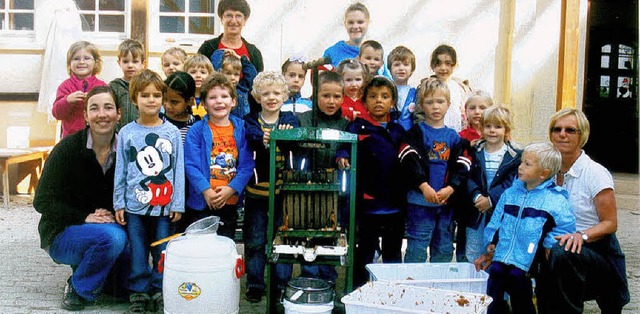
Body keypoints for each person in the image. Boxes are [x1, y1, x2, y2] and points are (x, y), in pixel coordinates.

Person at [34, 86, 129, 311]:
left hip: (108, 226)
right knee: (112, 238)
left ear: (119, 113)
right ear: (85, 115)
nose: (102, 114)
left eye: (108, 107)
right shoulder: (67, 149)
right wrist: (84, 216)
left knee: (128, 273)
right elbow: (42, 201)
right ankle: (78, 288)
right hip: (63, 231)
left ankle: (96, 276)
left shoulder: (127, 149)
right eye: (94, 108)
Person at [535, 108, 630, 314]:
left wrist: (581, 236)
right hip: (557, 248)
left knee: (564, 250)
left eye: (570, 130)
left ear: (582, 135)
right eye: (556, 129)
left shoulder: (595, 173)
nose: (562, 134)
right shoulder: (545, 171)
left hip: (596, 252)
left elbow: (610, 223)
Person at [474, 142, 576, 314]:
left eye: (527, 164)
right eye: (521, 162)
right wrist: (491, 242)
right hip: (503, 253)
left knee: (518, 283)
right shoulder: (510, 193)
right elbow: (496, 220)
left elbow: (566, 227)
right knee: (495, 277)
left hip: (528, 260)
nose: (520, 167)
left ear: (544, 173)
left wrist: (548, 244)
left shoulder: (555, 199)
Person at [113, 69, 184, 314]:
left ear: (163, 98)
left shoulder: (172, 132)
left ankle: (159, 289)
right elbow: (121, 169)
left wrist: (178, 203)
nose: (151, 100)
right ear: (134, 99)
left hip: (165, 208)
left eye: (156, 95)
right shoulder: (126, 132)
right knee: (138, 251)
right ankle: (139, 293)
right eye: (145, 95)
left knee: (162, 251)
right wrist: (119, 202)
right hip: (134, 208)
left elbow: (178, 170)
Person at [279, 71, 349, 289]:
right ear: (315, 95)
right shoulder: (303, 119)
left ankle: (327, 280)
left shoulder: (345, 124)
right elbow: (287, 144)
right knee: (306, 233)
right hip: (303, 186)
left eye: (337, 96)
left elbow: (347, 148)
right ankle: (308, 278)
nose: (331, 101)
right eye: (326, 96)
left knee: (329, 233)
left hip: (332, 189)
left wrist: (342, 156)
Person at [336, 76, 406, 287]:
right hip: (367, 203)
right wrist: (342, 155)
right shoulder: (358, 127)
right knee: (365, 249)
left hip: (394, 203)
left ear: (392, 101)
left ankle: (393, 290)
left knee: (392, 251)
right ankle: (359, 289)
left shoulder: (398, 131)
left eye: (385, 97)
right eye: (373, 96)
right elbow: (344, 146)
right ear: (364, 101)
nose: (379, 101)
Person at [243, 71, 299, 303]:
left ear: (285, 96)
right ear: (257, 97)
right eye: (265, 93)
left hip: (283, 191)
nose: (271, 97)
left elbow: (295, 138)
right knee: (255, 239)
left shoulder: (290, 119)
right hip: (256, 192)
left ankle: (281, 283)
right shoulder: (251, 120)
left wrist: (285, 136)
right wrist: (266, 137)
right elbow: (253, 135)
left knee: (283, 239)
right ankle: (255, 283)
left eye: (276, 93)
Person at [398, 78, 468, 263]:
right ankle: (412, 286)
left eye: (440, 102)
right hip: (419, 201)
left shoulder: (454, 137)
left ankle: (440, 287)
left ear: (448, 104)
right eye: (429, 102)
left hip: (445, 204)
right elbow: (408, 161)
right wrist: (423, 186)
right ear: (421, 105)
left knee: (444, 248)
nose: (435, 107)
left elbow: (462, 167)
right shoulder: (414, 133)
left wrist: (451, 188)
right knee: (417, 246)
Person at [183, 72, 254, 238]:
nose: (219, 101)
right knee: (200, 248)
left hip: (229, 201)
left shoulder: (242, 129)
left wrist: (231, 189)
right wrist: (206, 190)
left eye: (224, 96)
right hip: (202, 202)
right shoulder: (196, 130)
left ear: (234, 101)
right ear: (204, 104)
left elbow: (247, 165)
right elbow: (190, 164)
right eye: (213, 97)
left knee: (224, 246)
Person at [464, 105, 521, 263]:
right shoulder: (474, 151)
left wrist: (491, 200)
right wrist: (476, 196)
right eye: (488, 126)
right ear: (481, 128)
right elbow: (466, 176)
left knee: (495, 251)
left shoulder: (514, 156)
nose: (492, 130)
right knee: (473, 249)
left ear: (506, 129)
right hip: (476, 210)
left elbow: (511, 182)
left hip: (500, 211)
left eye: (498, 126)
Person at [197, 0, 263, 113]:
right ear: (221, 18)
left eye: (238, 16)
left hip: (244, 113)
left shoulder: (253, 52)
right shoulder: (208, 48)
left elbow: (258, 86)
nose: (233, 20)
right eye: (228, 15)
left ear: (245, 20)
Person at [453, 90, 494, 262]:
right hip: (466, 194)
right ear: (465, 111)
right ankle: (464, 262)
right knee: (465, 231)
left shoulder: (495, 135)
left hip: (489, 196)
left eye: (482, 107)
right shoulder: (461, 137)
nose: (477, 112)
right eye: (472, 108)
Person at [52, 40, 107, 138]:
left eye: (87, 58)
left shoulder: (102, 86)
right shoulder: (65, 86)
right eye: (76, 58)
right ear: (69, 63)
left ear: (96, 63)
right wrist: (67, 100)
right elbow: (57, 113)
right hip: (71, 139)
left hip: (97, 138)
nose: (81, 62)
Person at [417, 44, 472, 132]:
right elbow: (419, 115)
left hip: (457, 135)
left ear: (455, 65)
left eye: (448, 64)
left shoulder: (461, 88)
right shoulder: (426, 87)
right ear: (433, 66)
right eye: (438, 64)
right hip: (434, 136)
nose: (443, 68)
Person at [109, 39, 145, 130]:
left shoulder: (146, 86)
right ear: (119, 63)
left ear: (143, 64)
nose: (130, 65)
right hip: (120, 132)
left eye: (135, 61)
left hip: (142, 131)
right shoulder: (114, 86)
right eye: (125, 61)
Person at [211, 48, 258, 118]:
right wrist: (222, 52)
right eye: (228, 73)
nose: (232, 77)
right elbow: (215, 65)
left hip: (242, 125)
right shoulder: (218, 89)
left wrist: (242, 59)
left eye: (236, 74)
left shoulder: (242, 88)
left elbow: (252, 74)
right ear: (220, 72)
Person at [322, 2, 370, 68]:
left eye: (360, 22)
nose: (355, 26)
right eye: (351, 22)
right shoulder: (331, 53)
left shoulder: (376, 53)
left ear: (368, 23)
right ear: (345, 24)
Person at [161, 71, 200, 143]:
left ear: (190, 101)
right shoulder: (158, 122)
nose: (167, 105)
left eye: (174, 102)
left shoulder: (196, 125)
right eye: (165, 99)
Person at [387, 45, 417, 130]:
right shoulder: (384, 92)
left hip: (408, 137)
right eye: (397, 65)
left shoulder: (416, 93)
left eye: (406, 64)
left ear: (412, 70)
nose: (401, 68)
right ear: (390, 69)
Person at [184, 53, 214, 118]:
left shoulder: (213, 97)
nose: (198, 75)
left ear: (210, 75)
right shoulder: (183, 97)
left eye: (203, 72)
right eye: (193, 72)